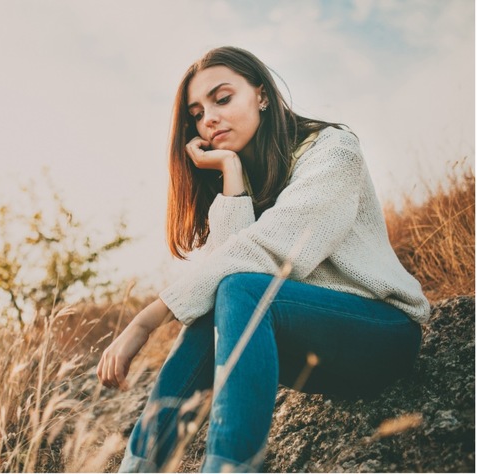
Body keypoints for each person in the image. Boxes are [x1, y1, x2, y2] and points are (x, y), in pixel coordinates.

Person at [96, 46, 430, 473]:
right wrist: (231, 172)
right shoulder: (249, 177)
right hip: (314, 346)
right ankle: (138, 468)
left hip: (383, 335)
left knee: (239, 286)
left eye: (222, 99)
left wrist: (146, 320)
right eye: (197, 113)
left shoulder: (334, 152)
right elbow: (226, 280)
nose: (208, 119)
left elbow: (273, 252)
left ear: (262, 96)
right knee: (222, 298)